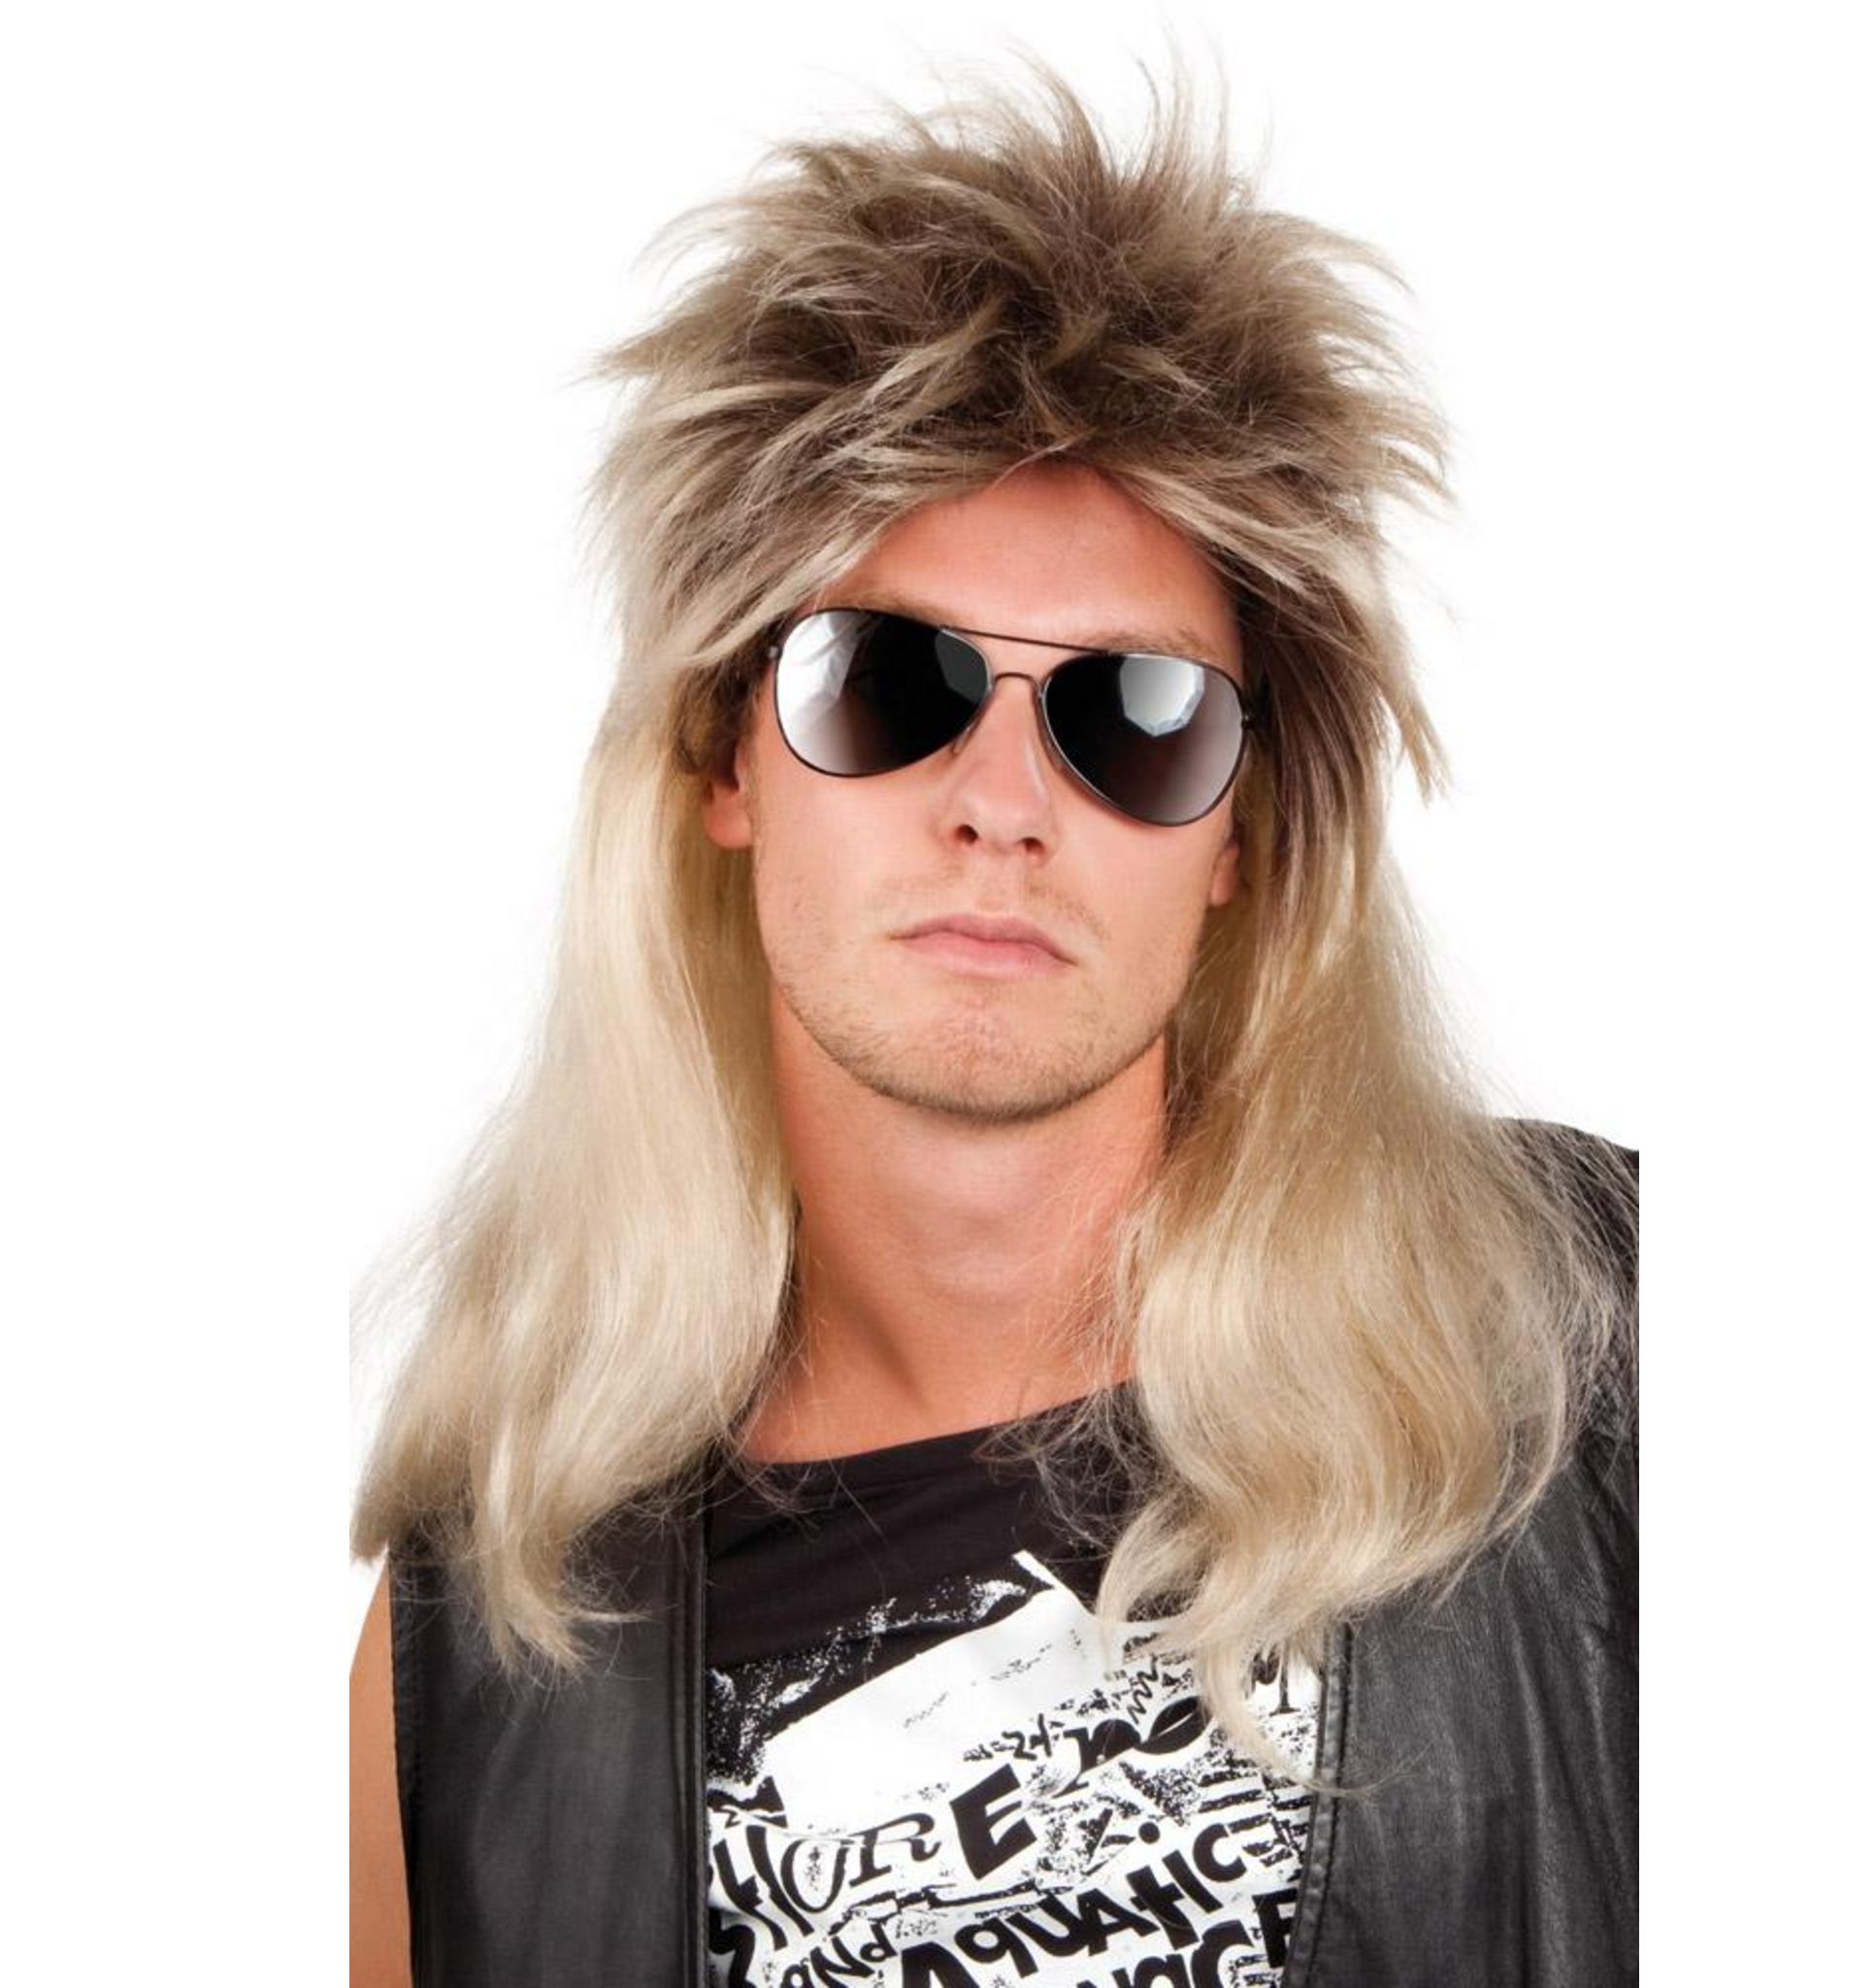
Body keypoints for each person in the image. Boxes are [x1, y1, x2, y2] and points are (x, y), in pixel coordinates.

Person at [350, 53, 1637, 1988]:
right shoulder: (485, 1632)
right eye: (884, 682)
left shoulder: (1604, 1336)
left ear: (1239, 832)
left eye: (1137, 717)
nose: (1003, 803)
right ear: (721, 754)